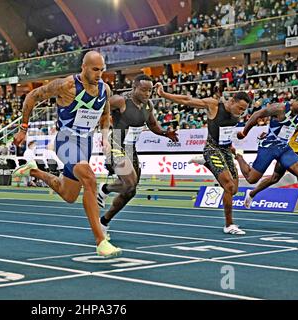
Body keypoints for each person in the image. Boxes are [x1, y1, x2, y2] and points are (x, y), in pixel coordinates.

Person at [12, 51, 121, 257]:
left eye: (102, 70)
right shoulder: (66, 85)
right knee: (89, 178)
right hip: (66, 141)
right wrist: (24, 128)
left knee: (69, 194)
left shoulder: (104, 89)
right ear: (84, 66)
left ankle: (35, 172)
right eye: (95, 69)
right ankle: (100, 241)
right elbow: (31, 96)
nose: (99, 74)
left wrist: (105, 138)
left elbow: (105, 115)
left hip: (86, 143)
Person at [156, 83, 251, 235]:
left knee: (234, 189)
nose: (241, 112)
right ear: (232, 101)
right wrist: (164, 94)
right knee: (228, 186)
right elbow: (187, 100)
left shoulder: (237, 113)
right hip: (211, 148)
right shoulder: (213, 105)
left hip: (225, 149)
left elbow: (226, 132)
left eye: (244, 110)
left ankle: (206, 163)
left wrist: (232, 149)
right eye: (240, 108)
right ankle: (229, 225)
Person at [97, 74, 178, 239]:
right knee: (130, 182)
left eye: (150, 91)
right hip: (116, 144)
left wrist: (165, 133)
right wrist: (102, 131)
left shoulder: (148, 106)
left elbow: (153, 125)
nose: (147, 94)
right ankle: (104, 189)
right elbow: (100, 109)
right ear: (134, 88)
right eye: (143, 90)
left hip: (131, 149)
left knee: (131, 191)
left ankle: (103, 222)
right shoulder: (121, 101)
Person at [234, 93, 298, 207]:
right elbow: (257, 114)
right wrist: (244, 132)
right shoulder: (280, 108)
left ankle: (251, 194)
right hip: (268, 147)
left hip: (284, 148)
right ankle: (239, 157)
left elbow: (291, 126)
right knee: (252, 179)